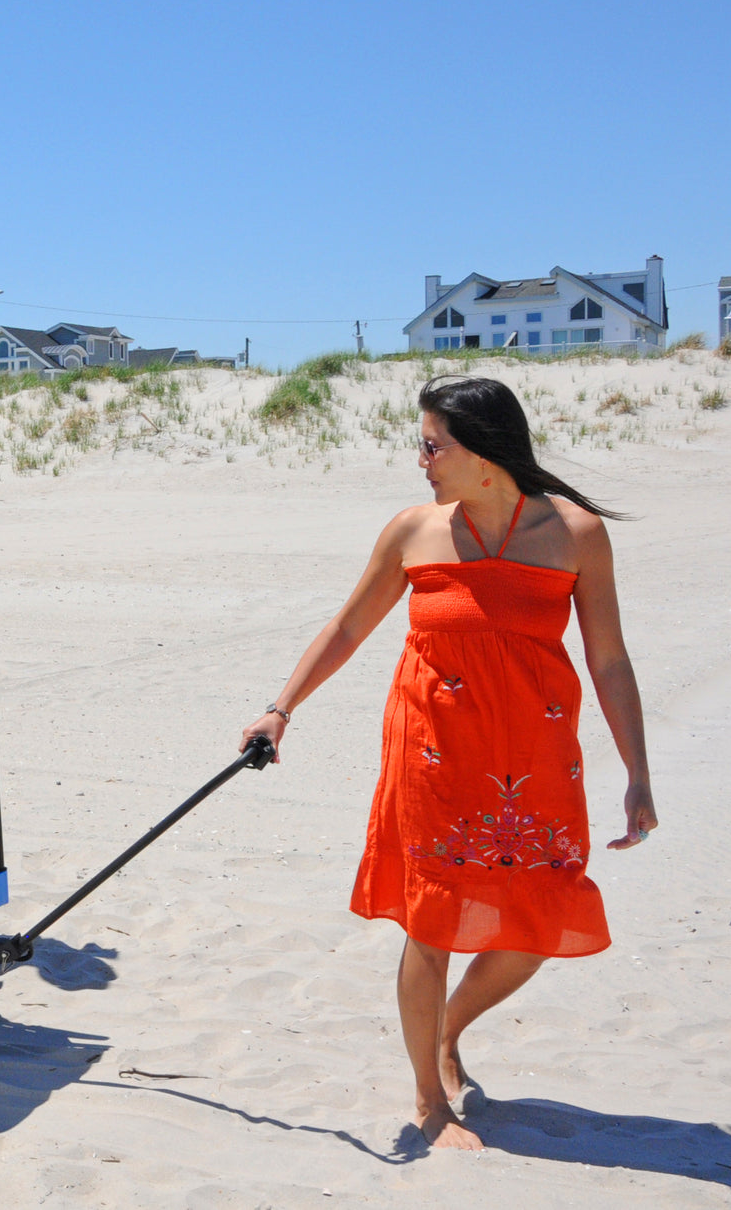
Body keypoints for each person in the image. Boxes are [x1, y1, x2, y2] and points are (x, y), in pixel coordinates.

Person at [238, 375, 657, 1151]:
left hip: (536, 759)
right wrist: (281, 707)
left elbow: (609, 660)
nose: (421, 460)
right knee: (430, 923)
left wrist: (636, 771)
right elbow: (348, 627)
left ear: (484, 451)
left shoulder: (574, 533)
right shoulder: (413, 532)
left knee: (535, 920)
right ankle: (431, 1102)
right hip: (433, 755)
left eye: (434, 445)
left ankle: (447, 1031)